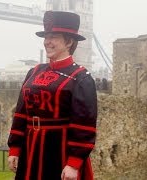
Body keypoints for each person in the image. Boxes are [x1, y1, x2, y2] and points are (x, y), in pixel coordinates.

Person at [7, 11, 97, 180]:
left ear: (69, 41)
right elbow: (21, 114)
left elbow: (84, 124)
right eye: (46, 37)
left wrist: (74, 163)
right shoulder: (33, 72)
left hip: (58, 150)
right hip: (30, 147)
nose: (47, 42)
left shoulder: (81, 77)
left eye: (53, 37)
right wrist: (15, 148)